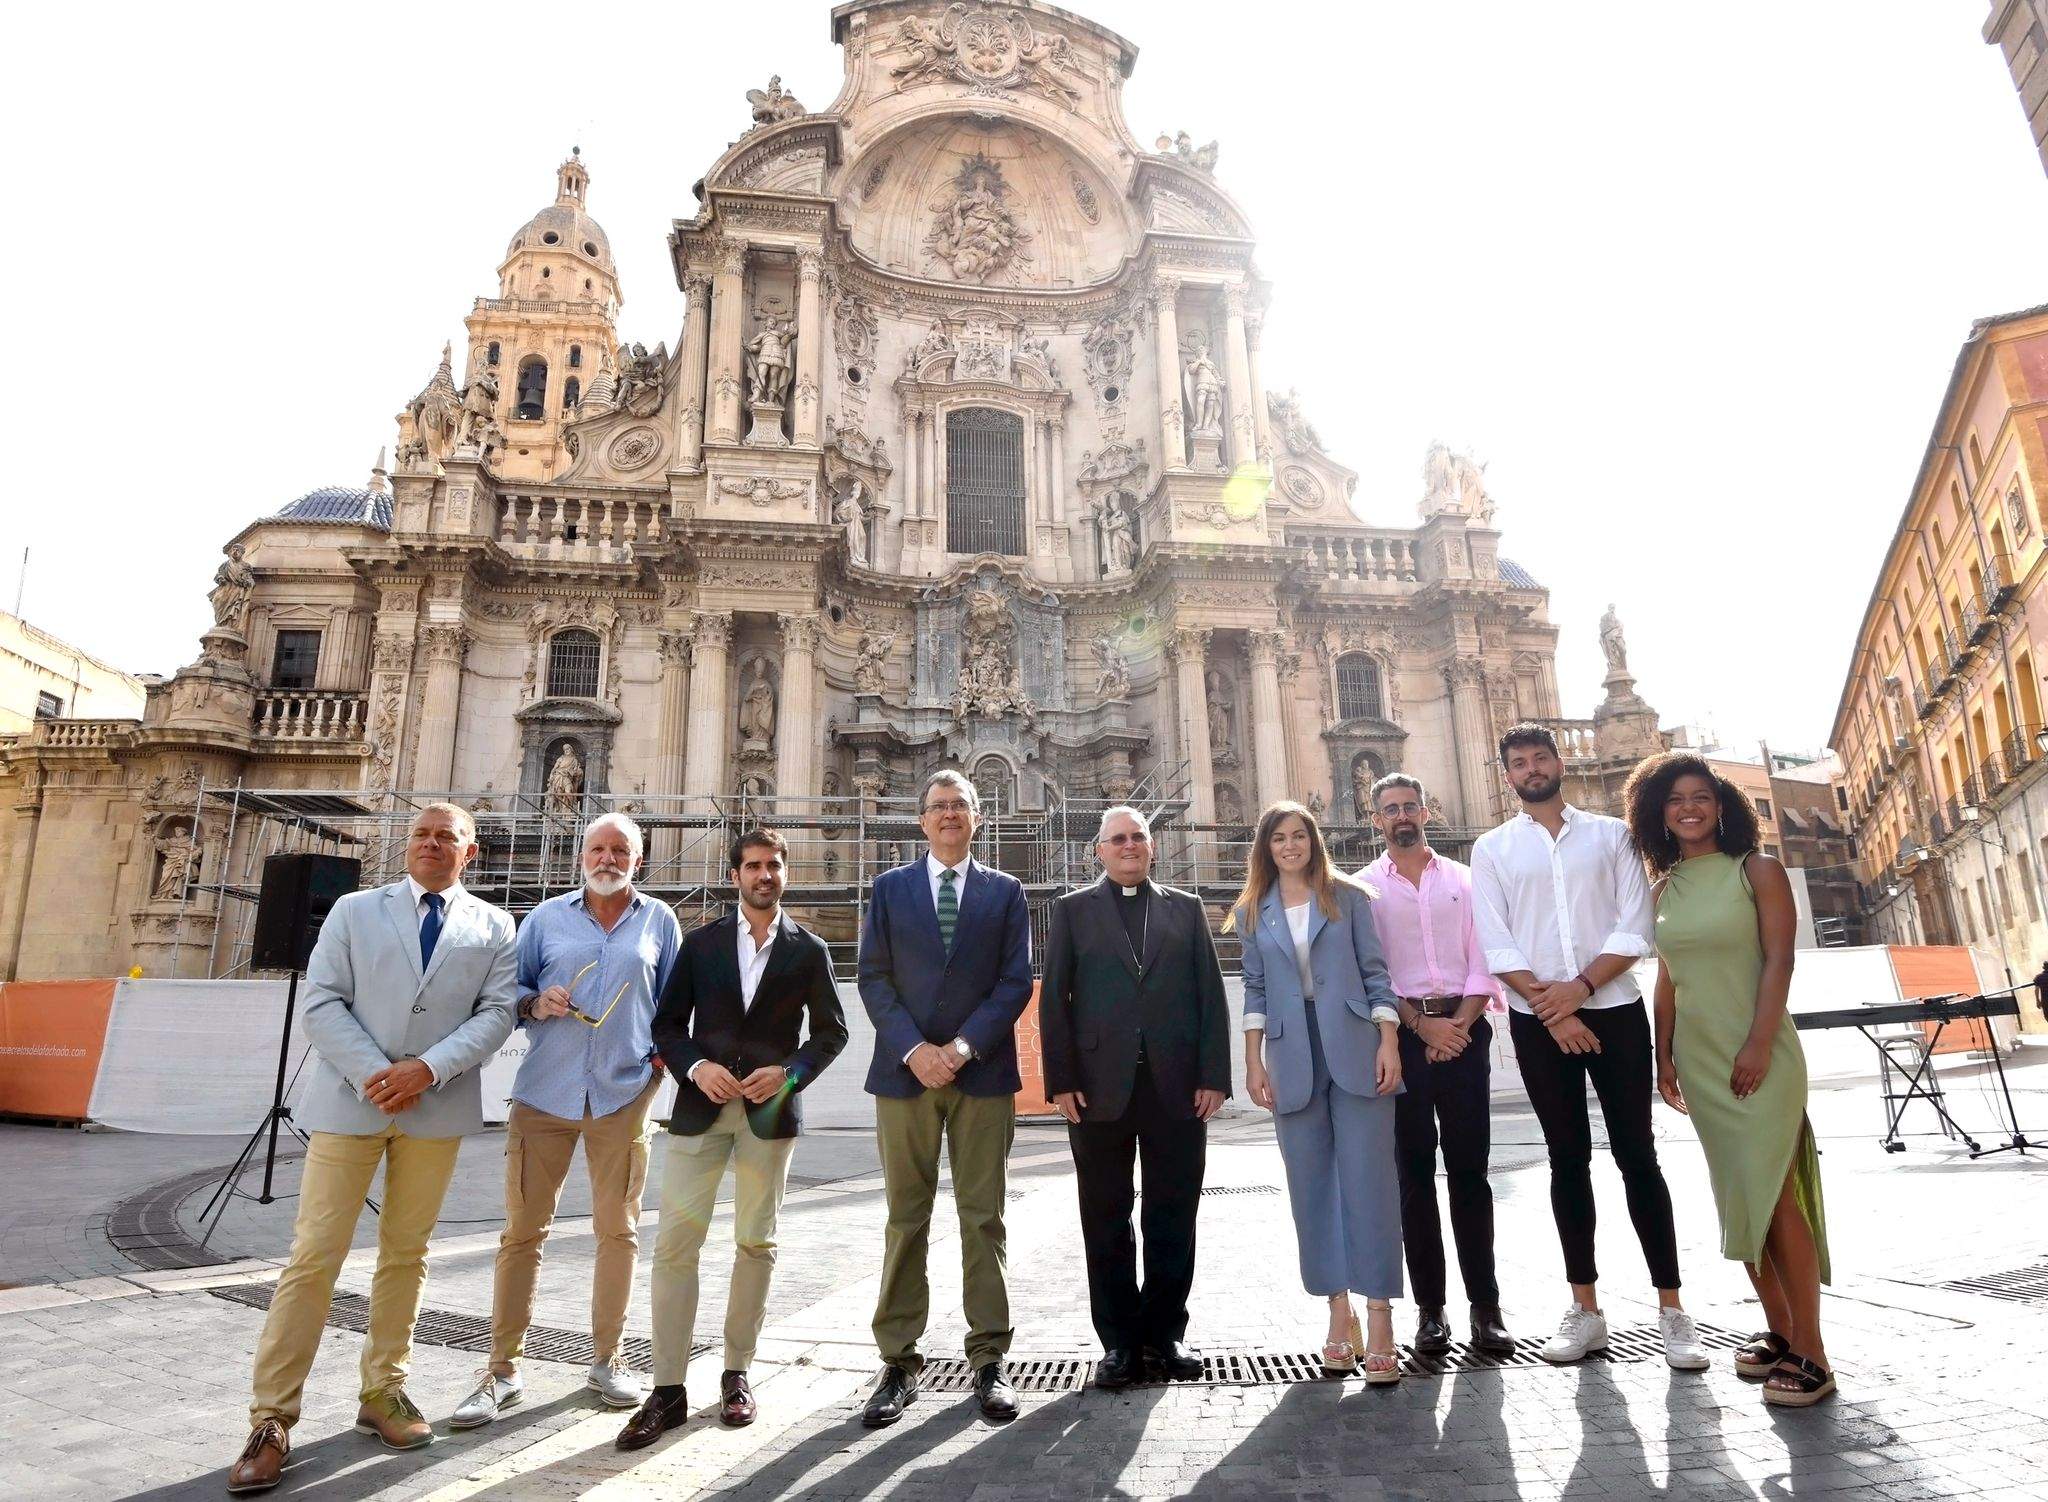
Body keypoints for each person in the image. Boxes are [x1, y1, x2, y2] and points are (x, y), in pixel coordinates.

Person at [226, 803, 518, 1494]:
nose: (432, 844)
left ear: (468, 853)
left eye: (448, 836)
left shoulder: (495, 925)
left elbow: (498, 1012)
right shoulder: (356, 910)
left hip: (434, 1105)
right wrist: (375, 1073)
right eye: (422, 833)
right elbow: (323, 1000)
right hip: (351, 1102)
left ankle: (383, 1392)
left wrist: (428, 1069)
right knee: (314, 1257)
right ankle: (271, 1419)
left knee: (407, 1254)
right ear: (406, 843)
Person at [1468, 723, 1708, 1371]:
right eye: (1517, 762)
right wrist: (1554, 1009)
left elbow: (1634, 929)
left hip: (1617, 1014)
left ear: (1557, 762)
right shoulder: (1490, 851)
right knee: (1566, 1161)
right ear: (1507, 774)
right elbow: (1496, 943)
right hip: (1539, 1023)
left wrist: (1576, 992)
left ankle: (1672, 1311)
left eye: (1539, 756)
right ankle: (1586, 1309)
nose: (1531, 768)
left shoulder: (1613, 836)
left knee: (1639, 1158)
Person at [450, 813, 680, 1432]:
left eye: (620, 850)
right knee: (523, 1233)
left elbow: (675, 1004)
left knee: (619, 1231)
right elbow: (507, 996)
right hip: (544, 1096)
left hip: (622, 1095)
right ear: (583, 855)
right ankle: (501, 1372)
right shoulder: (546, 919)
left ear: (638, 858)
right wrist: (534, 1001)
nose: (608, 858)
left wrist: (661, 1060)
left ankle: (608, 1360)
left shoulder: (660, 921)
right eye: (598, 848)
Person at [619, 829, 849, 1448]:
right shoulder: (702, 945)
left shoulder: (809, 950)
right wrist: (696, 1066)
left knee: (756, 1243)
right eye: (753, 866)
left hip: (767, 1119)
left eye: (773, 865)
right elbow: (666, 1024)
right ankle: (667, 1389)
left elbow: (832, 1033)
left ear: (785, 875)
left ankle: (737, 1374)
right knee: (675, 1247)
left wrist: (791, 1073)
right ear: (735, 875)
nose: (764, 874)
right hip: (701, 1111)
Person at [1627, 753, 1835, 1406]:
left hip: (1761, 1052)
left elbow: (1779, 963)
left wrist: (1755, 1044)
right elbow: (1668, 977)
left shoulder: (1758, 871)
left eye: (1701, 797)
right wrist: (1663, 1055)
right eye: (1674, 800)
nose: (1688, 808)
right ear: (1658, 814)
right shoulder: (1662, 890)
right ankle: (1780, 1332)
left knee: (1773, 1194)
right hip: (1700, 1056)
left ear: (1721, 807)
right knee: (1738, 1197)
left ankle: (1815, 1355)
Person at [855, 771, 1034, 1427]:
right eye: (938, 806)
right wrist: (916, 1050)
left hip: (980, 1076)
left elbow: (1015, 982)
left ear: (977, 818)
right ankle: (898, 1362)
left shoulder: (1006, 891)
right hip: (905, 1077)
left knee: (983, 1218)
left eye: (960, 805)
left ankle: (990, 1359)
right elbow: (873, 978)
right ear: (921, 820)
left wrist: (960, 1049)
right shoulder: (889, 889)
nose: (949, 815)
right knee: (907, 1218)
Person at [1042, 805, 1231, 1389]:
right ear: (1097, 851)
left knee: (1174, 1213)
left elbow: (1209, 993)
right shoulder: (1072, 911)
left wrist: (1213, 1076)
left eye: (1138, 838)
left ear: (1153, 848)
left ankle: (1165, 1332)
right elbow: (1055, 1001)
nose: (1128, 846)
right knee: (1105, 1216)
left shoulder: (1186, 908)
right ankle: (1120, 1342)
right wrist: (1062, 1080)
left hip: (1176, 1087)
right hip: (1098, 1089)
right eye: (1117, 839)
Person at [1231, 801, 1403, 1383]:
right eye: (1278, 837)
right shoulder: (1254, 910)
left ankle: (1380, 1316)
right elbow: (1254, 990)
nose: (1289, 845)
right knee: (1310, 1186)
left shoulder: (1349, 897)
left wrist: (1389, 1042)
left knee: (1370, 1182)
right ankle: (1338, 1313)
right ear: (1266, 847)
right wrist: (1252, 1061)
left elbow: (1377, 974)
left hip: (1356, 1045)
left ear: (1313, 841)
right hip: (1290, 1054)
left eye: (1298, 835)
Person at [1360, 774, 1513, 1358]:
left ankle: (1487, 1307)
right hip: (1403, 1038)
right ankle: (1430, 1311)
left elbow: (1486, 956)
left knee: (1472, 1173)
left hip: (1465, 1032)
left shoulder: (1468, 882)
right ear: (1375, 819)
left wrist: (1460, 1026)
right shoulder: (1365, 890)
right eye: (1390, 808)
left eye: (1410, 806)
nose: (1402, 816)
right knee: (1414, 1178)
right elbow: (1372, 971)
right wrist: (1422, 1028)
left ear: (1427, 810)